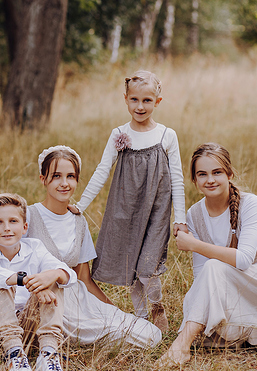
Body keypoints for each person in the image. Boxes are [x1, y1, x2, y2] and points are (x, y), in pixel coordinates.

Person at [0, 146, 162, 349]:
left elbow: (83, 278)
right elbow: (1, 243)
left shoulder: (79, 221)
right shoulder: (30, 216)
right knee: (115, 335)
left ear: (77, 180)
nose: (64, 183)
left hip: (77, 297)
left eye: (70, 176)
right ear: (43, 179)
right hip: (47, 299)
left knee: (150, 334)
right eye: (56, 176)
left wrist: (116, 312)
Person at [157, 143, 257, 366]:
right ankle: (208, 335)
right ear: (194, 180)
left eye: (217, 172)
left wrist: (194, 244)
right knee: (207, 285)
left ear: (229, 174)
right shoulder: (194, 214)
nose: (210, 180)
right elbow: (201, 275)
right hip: (234, 283)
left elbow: (243, 260)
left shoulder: (249, 203)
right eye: (202, 174)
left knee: (214, 267)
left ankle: (180, 347)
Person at [73, 70, 187, 332]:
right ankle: (142, 317)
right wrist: (81, 205)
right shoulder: (119, 134)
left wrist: (179, 218)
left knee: (147, 268)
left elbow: (178, 179)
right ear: (125, 100)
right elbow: (102, 170)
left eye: (147, 100)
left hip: (157, 210)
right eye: (134, 100)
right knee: (131, 266)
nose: (140, 106)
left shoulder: (166, 135)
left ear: (157, 102)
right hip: (126, 209)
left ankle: (157, 304)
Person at [0, 193, 76, 371]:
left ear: (25, 227)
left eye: (13, 221)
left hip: (25, 325)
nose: (7, 228)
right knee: (0, 282)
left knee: (54, 278)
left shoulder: (35, 247)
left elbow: (69, 275)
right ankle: (13, 354)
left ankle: (48, 355)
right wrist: (26, 281)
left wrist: (53, 275)